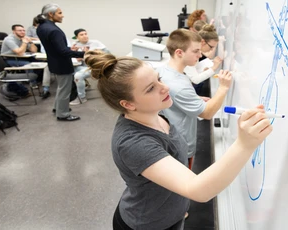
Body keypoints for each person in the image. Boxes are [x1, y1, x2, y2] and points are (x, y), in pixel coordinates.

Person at [83, 50, 273, 230]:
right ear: (128, 104)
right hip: (147, 224)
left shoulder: (156, 111)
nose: (165, 87)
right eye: (151, 88)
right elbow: (199, 191)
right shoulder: (134, 143)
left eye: (158, 79)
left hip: (171, 215)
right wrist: (244, 144)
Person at [157, 29, 232, 170]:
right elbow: (207, 113)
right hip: (180, 145)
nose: (200, 55)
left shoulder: (165, 71)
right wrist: (223, 88)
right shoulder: (178, 86)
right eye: (196, 51)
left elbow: (175, 96)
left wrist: (195, 98)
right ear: (179, 52)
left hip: (170, 138)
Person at [36, 3, 86, 121]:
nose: (62, 16)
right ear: (50, 14)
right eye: (60, 13)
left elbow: (55, 48)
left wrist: (68, 49)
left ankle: (57, 108)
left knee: (61, 88)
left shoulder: (41, 27)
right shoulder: (54, 30)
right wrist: (83, 54)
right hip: (62, 64)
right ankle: (63, 114)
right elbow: (63, 52)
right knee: (65, 90)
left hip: (54, 62)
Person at [69, 28, 108, 105]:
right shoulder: (75, 44)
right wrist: (74, 53)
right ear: (77, 37)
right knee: (68, 72)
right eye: (81, 34)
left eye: (85, 34)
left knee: (78, 75)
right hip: (81, 66)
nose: (84, 36)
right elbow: (72, 56)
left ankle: (81, 98)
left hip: (94, 67)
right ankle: (74, 92)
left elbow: (107, 55)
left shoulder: (96, 43)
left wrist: (87, 56)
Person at [184, 24, 223, 89]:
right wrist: (214, 67)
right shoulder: (190, 53)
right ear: (203, 42)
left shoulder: (194, 50)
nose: (211, 49)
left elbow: (191, 70)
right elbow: (196, 80)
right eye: (211, 47)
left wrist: (203, 71)